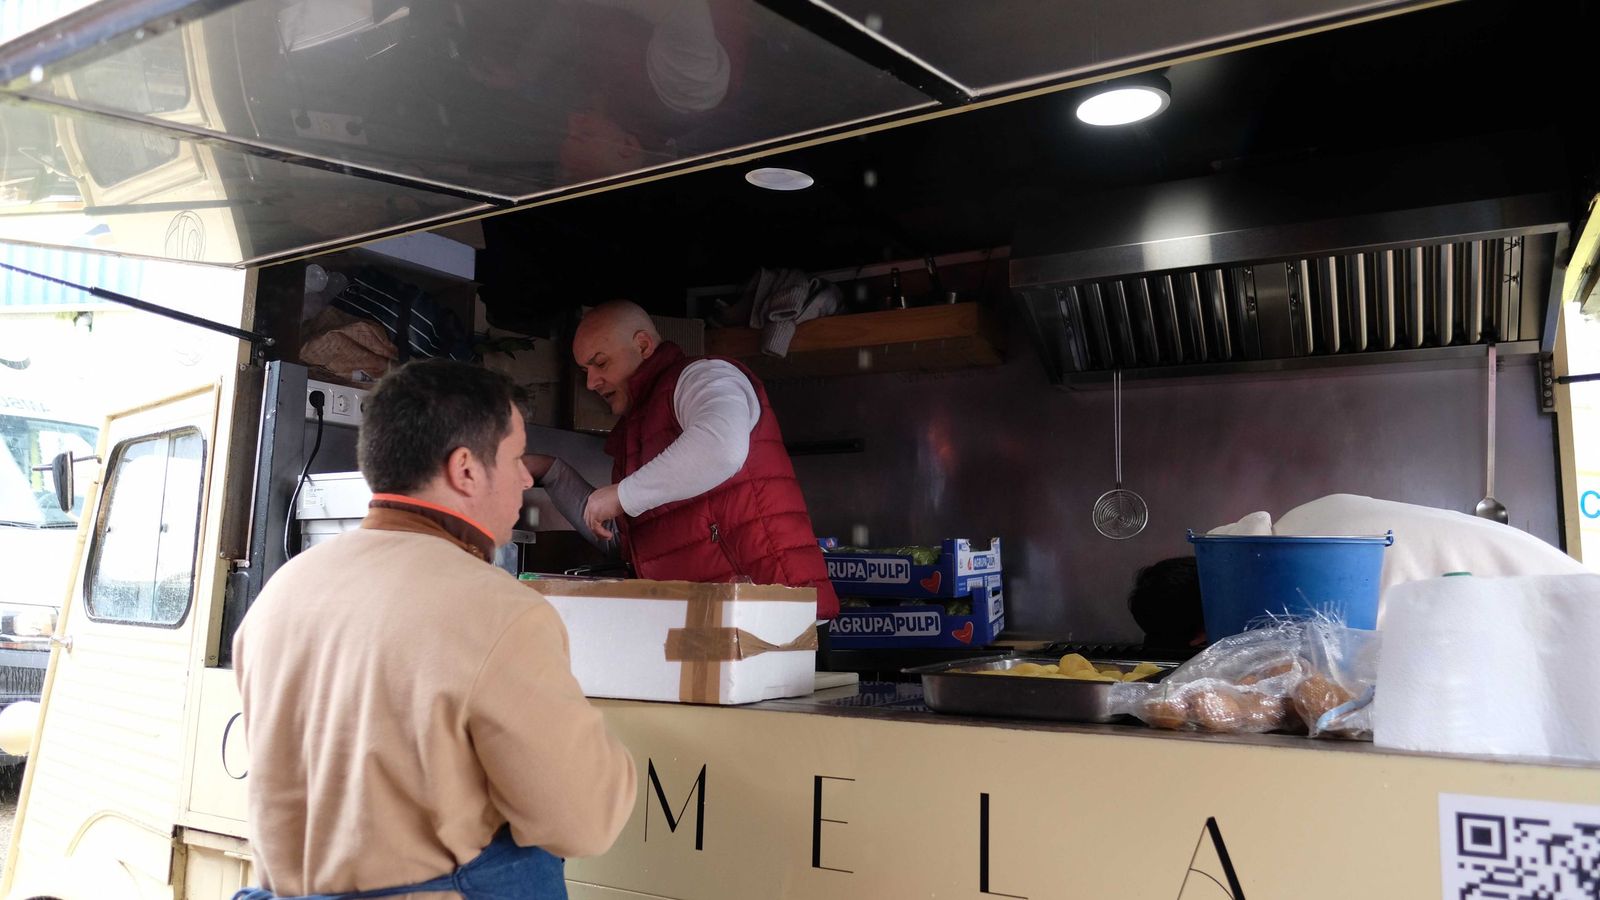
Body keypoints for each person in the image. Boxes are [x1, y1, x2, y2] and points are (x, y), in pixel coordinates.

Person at [233, 360, 636, 900]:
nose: (524, 478)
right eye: (516, 458)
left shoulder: (282, 592)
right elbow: (584, 819)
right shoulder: (498, 611)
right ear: (466, 469)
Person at [528, 300, 840, 618]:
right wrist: (552, 472)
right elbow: (623, 541)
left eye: (601, 363)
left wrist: (622, 495)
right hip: (709, 622)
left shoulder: (703, 377)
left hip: (774, 617)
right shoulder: (638, 427)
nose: (591, 382)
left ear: (644, 345)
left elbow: (722, 447)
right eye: (586, 371)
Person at [1128, 493, 1591, 643]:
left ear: (1199, 639)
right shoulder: (1304, 517)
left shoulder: (1292, 588)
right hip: (1562, 592)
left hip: (1561, 624)